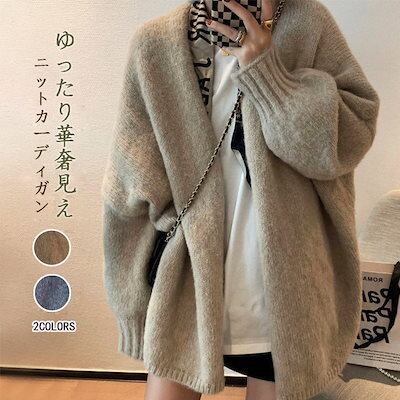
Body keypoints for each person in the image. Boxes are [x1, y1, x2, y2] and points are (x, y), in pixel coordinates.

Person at [101, 1, 380, 399]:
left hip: (284, 289)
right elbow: (128, 188)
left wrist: (268, 73)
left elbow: (345, 141)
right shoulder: (157, 44)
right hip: (187, 283)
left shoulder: (308, 23)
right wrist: (131, 303)